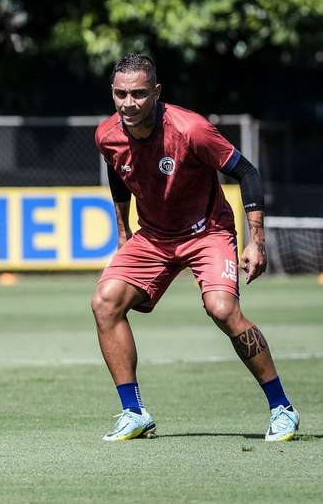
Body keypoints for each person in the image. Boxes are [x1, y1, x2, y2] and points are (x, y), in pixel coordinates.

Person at [92, 53, 299, 442]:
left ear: (156, 92)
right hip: (153, 236)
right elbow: (118, 176)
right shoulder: (107, 134)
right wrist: (122, 232)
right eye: (120, 94)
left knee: (222, 309)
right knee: (105, 303)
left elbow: (246, 172)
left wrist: (257, 242)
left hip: (208, 232)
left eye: (138, 93)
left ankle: (282, 407)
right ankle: (133, 412)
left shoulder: (192, 129)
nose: (128, 103)